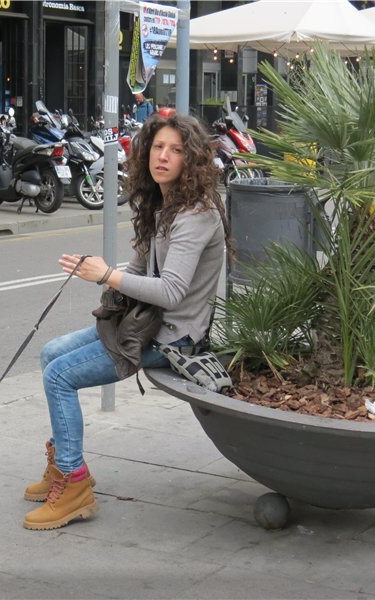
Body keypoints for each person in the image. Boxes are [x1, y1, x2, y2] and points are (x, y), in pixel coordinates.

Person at [22, 114, 231, 531]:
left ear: (191, 159)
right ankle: (63, 465)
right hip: (145, 324)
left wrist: (106, 275)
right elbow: (138, 269)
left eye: (175, 150)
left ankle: (75, 485)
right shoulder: (163, 203)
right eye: (157, 148)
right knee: (51, 354)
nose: (163, 156)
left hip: (173, 339)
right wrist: (104, 274)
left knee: (60, 376)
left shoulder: (196, 215)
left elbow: (171, 291)